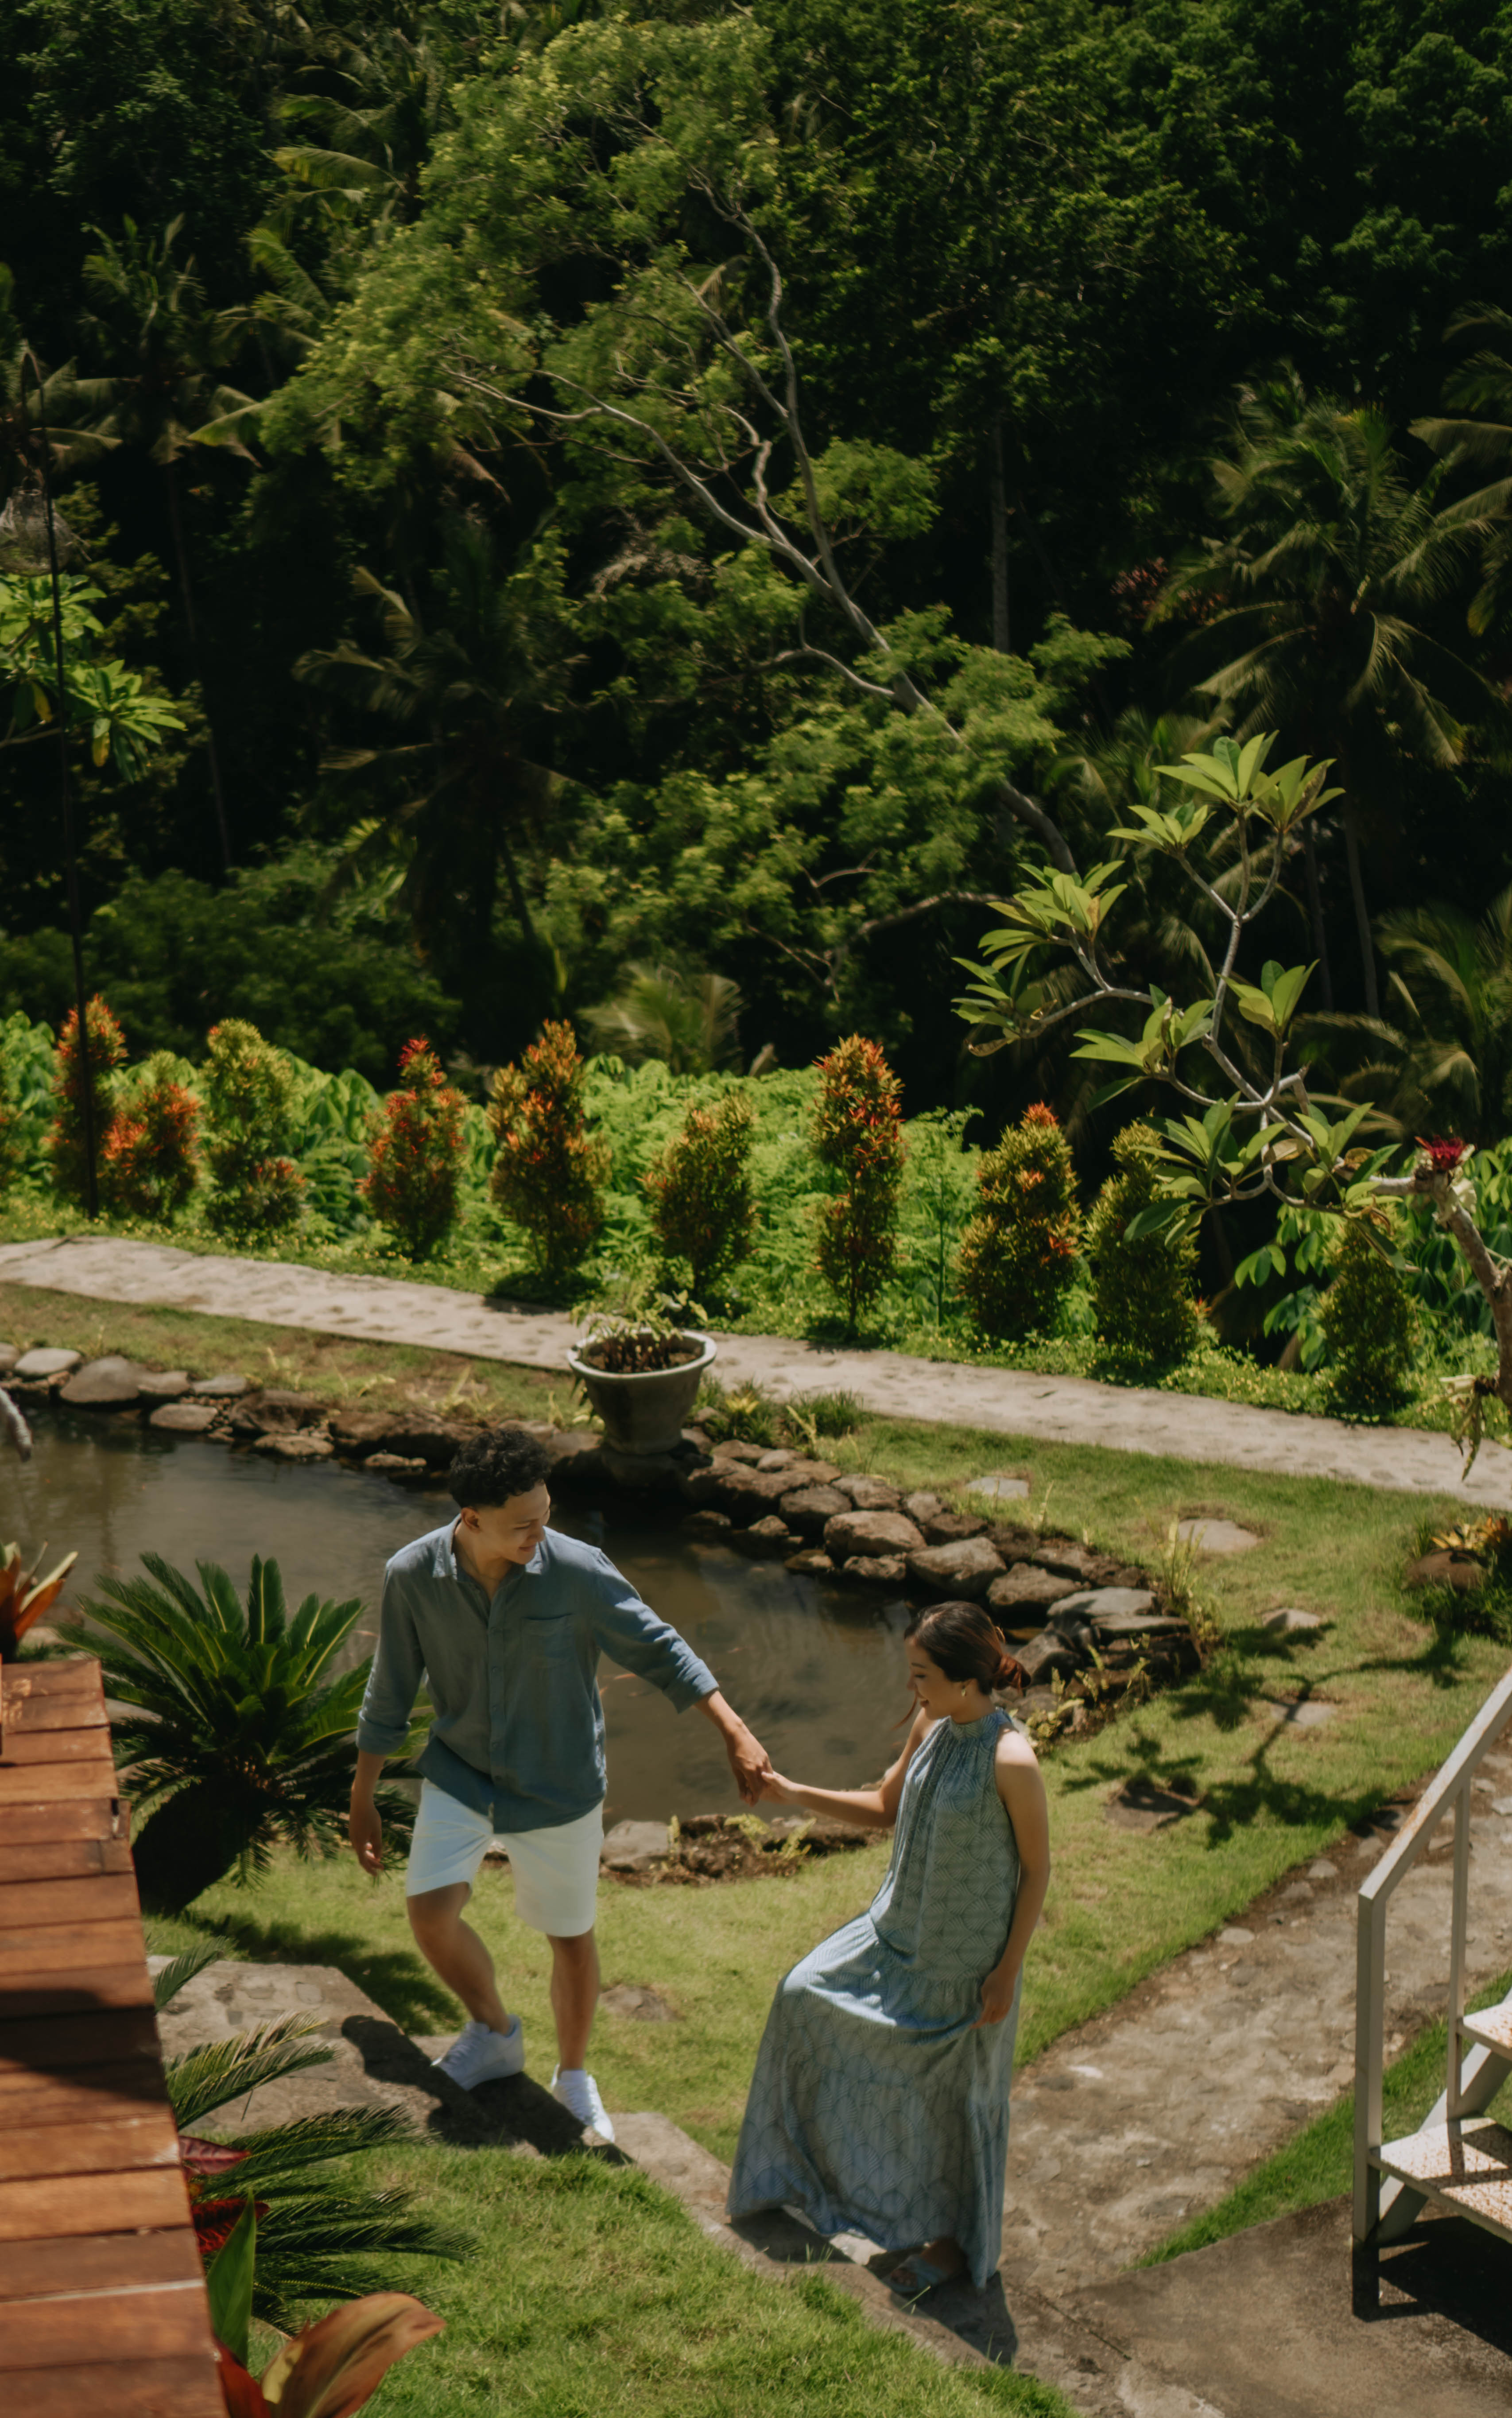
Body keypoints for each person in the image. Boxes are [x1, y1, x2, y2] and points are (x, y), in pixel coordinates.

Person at [349, 1427, 773, 2142]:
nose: (539, 1536)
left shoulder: (576, 1570)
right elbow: (389, 1687)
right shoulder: (411, 1575)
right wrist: (363, 1795)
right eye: (523, 1526)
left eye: (546, 1517)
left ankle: (574, 2077)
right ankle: (493, 2032)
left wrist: (733, 1729)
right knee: (429, 1914)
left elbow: (659, 1645)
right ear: (471, 1519)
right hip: (460, 1773)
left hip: (561, 1785)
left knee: (570, 1937)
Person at [727, 1599, 1051, 2295]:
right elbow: (884, 1808)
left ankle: (952, 2245)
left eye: (921, 1674)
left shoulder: (1011, 1758)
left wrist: (1006, 1970)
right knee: (801, 1995)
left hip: (964, 1968)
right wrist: (790, 1791)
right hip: (893, 1933)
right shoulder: (932, 1726)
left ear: (965, 1679)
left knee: (952, 2104)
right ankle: (809, 2177)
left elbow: (1036, 1870)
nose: (913, 1689)